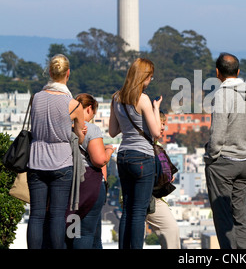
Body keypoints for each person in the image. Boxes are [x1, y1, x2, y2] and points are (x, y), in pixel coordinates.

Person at [27, 54, 86, 249]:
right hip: (62, 162)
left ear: (50, 72)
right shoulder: (74, 105)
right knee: (58, 215)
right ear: (68, 73)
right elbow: (80, 138)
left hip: (36, 160)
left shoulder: (35, 98)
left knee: (36, 214)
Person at [204, 52, 246, 249]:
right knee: (241, 212)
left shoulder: (221, 95)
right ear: (238, 71)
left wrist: (211, 156)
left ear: (218, 72)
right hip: (245, 160)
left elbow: (217, 134)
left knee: (223, 215)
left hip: (224, 162)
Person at [109, 57, 162, 249]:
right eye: (150, 77)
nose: (150, 81)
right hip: (142, 157)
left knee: (127, 210)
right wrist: (156, 109)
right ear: (144, 77)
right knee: (139, 212)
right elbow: (156, 133)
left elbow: (113, 132)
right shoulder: (143, 99)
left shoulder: (116, 98)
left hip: (123, 156)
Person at [66, 93, 115, 249]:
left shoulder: (64, 127)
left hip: (68, 183)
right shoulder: (91, 128)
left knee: (72, 231)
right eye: (93, 113)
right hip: (89, 184)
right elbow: (99, 160)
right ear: (88, 109)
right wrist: (109, 151)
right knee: (87, 233)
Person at [145, 111, 180, 249]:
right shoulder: (143, 144)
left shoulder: (157, 145)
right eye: (161, 124)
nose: (163, 128)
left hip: (156, 197)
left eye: (164, 124)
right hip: (141, 195)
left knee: (172, 230)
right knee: (135, 236)